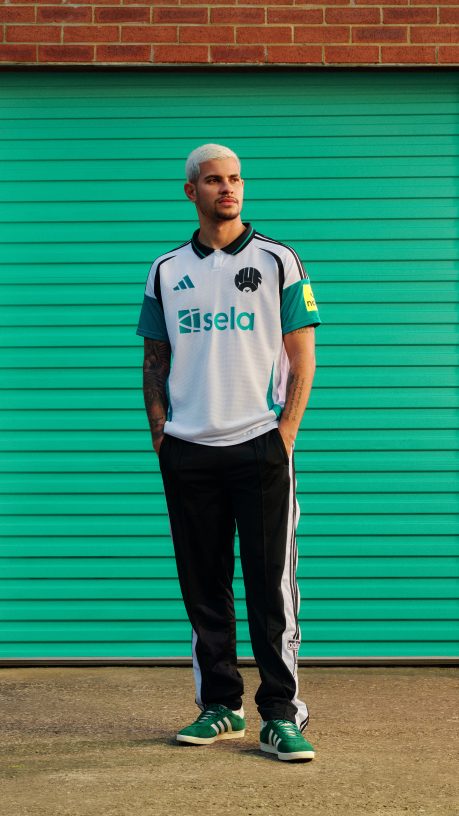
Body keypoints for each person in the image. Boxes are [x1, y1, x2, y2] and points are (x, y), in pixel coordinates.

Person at [136, 144, 321, 762]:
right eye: (214, 180)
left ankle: (280, 715)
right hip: (189, 450)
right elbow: (154, 358)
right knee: (204, 586)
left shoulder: (277, 260)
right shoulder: (166, 270)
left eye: (235, 178)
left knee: (271, 589)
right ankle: (221, 706)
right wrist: (162, 434)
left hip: (259, 445)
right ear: (191, 191)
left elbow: (302, 354)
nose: (228, 188)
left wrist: (284, 433)